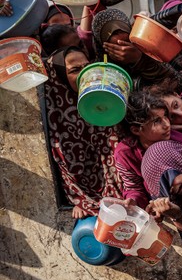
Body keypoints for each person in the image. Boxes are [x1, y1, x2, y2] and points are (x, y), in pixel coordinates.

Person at [43, 46, 123, 219]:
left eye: (87, 67)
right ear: (60, 76)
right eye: (75, 70)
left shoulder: (103, 100)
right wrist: (78, 199)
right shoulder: (55, 116)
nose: (85, 74)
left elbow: (111, 150)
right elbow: (61, 163)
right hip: (78, 193)